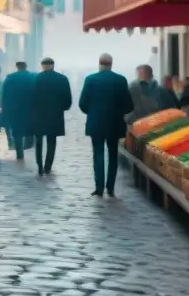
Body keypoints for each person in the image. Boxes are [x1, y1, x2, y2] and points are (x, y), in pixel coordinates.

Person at [79, 53, 133, 197]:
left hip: (96, 123)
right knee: (113, 154)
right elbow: (129, 105)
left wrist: (92, 112)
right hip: (114, 123)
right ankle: (110, 187)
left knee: (98, 154)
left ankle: (99, 187)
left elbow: (82, 103)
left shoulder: (90, 80)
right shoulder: (121, 80)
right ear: (111, 64)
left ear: (99, 64)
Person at [30, 57, 73, 176]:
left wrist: (33, 110)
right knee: (51, 141)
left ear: (42, 66)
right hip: (55, 114)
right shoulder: (62, 79)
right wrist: (62, 108)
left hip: (39, 114)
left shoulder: (36, 78)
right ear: (53, 65)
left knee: (38, 141)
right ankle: (47, 166)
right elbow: (68, 99)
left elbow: (31, 97)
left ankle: (39, 166)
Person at [0, 61, 34, 160]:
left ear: (17, 67)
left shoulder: (10, 78)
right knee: (29, 129)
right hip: (29, 108)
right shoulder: (32, 77)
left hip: (14, 109)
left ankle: (20, 153)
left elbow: (4, 95)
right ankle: (28, 147)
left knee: (17, 131)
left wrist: (4, 109)